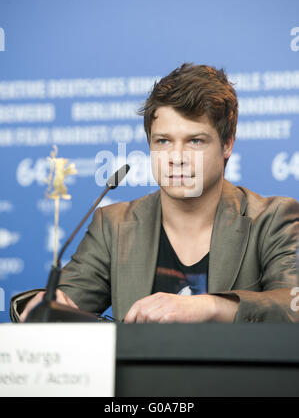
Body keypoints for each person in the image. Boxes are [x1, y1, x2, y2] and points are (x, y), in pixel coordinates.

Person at [14, 63, 299, 323]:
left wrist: (209, 306)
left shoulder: (272, 219)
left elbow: (292, 306)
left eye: (195, 141)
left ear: (227, 145)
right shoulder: (113, 226)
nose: (176, 157)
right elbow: (60, 305)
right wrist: (46, 307)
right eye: (163, 141)